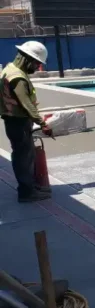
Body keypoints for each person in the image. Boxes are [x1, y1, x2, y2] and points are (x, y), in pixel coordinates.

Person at [1, 41, 53, 203]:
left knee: (26, 154)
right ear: (27, 59)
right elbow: (26, 104)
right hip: (18, 122)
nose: (38, 68)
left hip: (15, 120)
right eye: (37, 63)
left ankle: (29, 185)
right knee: (23, 156)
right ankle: (26, 192)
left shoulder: (10, 69)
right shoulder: (18, 78)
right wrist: (43, 124)